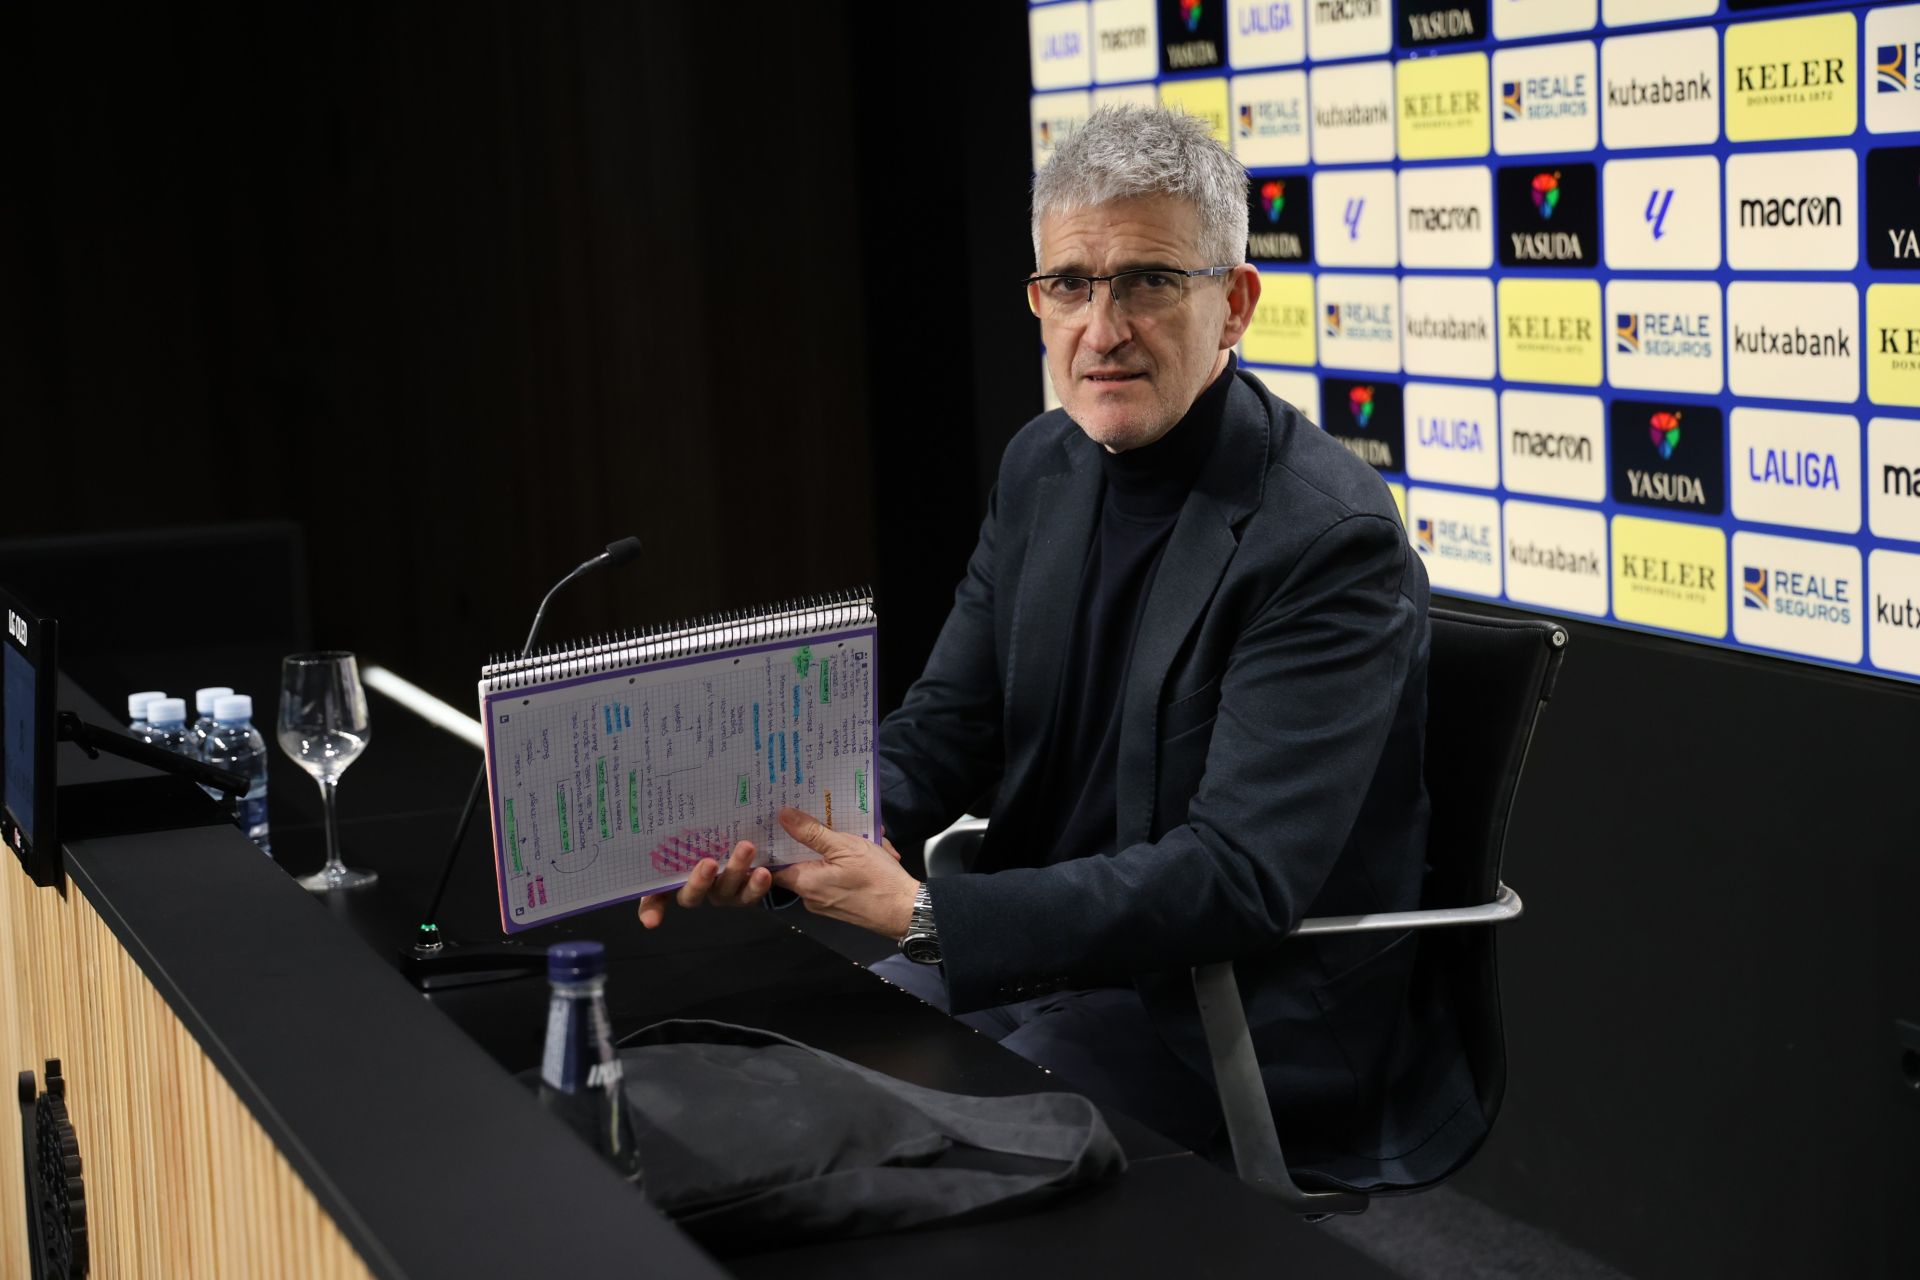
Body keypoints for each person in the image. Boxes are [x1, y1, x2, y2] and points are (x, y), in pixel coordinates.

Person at [640, 106, 1483, 1189]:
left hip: (1222, 1006)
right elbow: (946, 730)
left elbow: (1237, 875)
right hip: (1041, 963)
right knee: (767, 1077)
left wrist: (931, 913)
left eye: (1148, 281)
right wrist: (778, 830)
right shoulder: (1044, 463)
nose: (1103, 326)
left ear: (1233, 305)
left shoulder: (1328, 538)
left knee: (902, 1159)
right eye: (1071, 284)